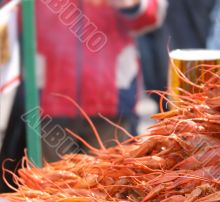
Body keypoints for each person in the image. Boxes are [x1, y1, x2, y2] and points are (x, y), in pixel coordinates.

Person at [35, 0, 167, 162]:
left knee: (112, 180)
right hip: (49, 99)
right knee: (50, 182)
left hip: (112, 99)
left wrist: (131, 4)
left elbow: (152, 15)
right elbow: (15, 18)